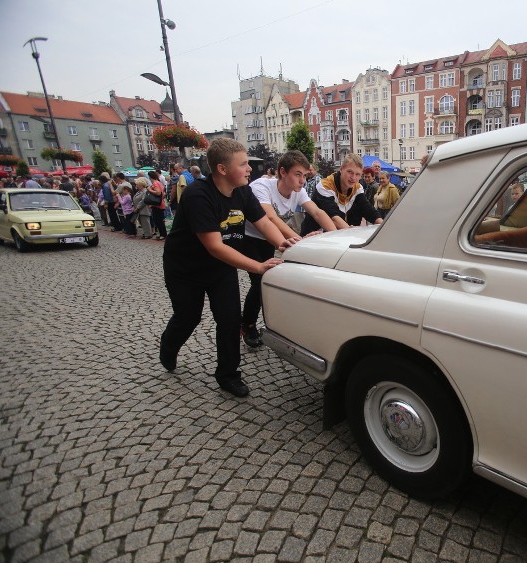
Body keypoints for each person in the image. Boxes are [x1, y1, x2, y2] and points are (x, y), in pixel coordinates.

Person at [159, 138, 295, 397]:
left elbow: (264, 222)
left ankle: (228, 375)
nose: (249, 169)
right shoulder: (197, 194)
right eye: (243, 164)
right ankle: (168, 345)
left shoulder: (243, 191)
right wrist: (258, 266)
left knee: (230, 320)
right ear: (222, 169)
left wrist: (283, 244)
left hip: (220, 269)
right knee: (189, 317)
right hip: (185, 269)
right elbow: (214, 246)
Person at [239, 150, 337, 348]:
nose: (302, 180)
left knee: (271, 281)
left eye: (304, 175)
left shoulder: (298, 191)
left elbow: (317, 212)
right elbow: (271, 218)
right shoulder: (261, 187)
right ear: (282, 172)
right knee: (259, 281)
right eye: (298, 174)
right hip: (249, 237)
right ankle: (247, 325)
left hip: (270, 239)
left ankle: (274, 323)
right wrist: (298, 240)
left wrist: (336, 236)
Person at [300, 154, 383, 235]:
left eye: (358, 174)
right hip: (313, 237)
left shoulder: (357, 188)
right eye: (350, 172)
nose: (353, 177)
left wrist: (384, 227)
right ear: (341, 169)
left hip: (339, 237)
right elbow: (333, 217)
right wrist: (353, 234)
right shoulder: (325, 185)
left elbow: (368, 210)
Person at [147, 171, 168, 240]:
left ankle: (163, 234)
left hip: (157, 205)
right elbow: (163, 194)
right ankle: (162, 234)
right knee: (159, 220)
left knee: (158, 220)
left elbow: (158, 193)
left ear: (150, 177)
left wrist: (150, 190)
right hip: (159, 204)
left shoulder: (155, 183)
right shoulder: (159, 182)